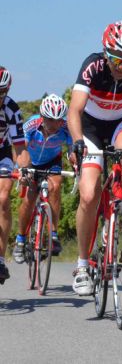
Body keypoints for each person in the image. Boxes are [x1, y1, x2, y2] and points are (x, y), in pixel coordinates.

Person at [67, 21, 122, 296]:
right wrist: (77, 141)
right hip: (91, 128)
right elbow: (74, 110)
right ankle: (82, 265)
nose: (121, 65)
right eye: (116, 58)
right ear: (105, 54)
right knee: (89, 195)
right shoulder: (93, 66)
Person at [13, 94, 72, 263]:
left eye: (59, 120)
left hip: (52, 161)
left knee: (56, 186)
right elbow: (20, 148)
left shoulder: (66, 127)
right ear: (42, 116)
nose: (55, 125)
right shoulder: (31, 125)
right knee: (30, 198)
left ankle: (53, 235)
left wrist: (76, 162)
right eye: (50, 120)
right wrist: (23, 169)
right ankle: (20, 240)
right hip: (30, 161)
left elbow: (72, 148)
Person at [0, 66, 31, 284]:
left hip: (2, 153)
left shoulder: (11, 108)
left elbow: (20, 148)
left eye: (1, 92)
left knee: (3, 199)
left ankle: (0, 259)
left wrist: (24, 169)